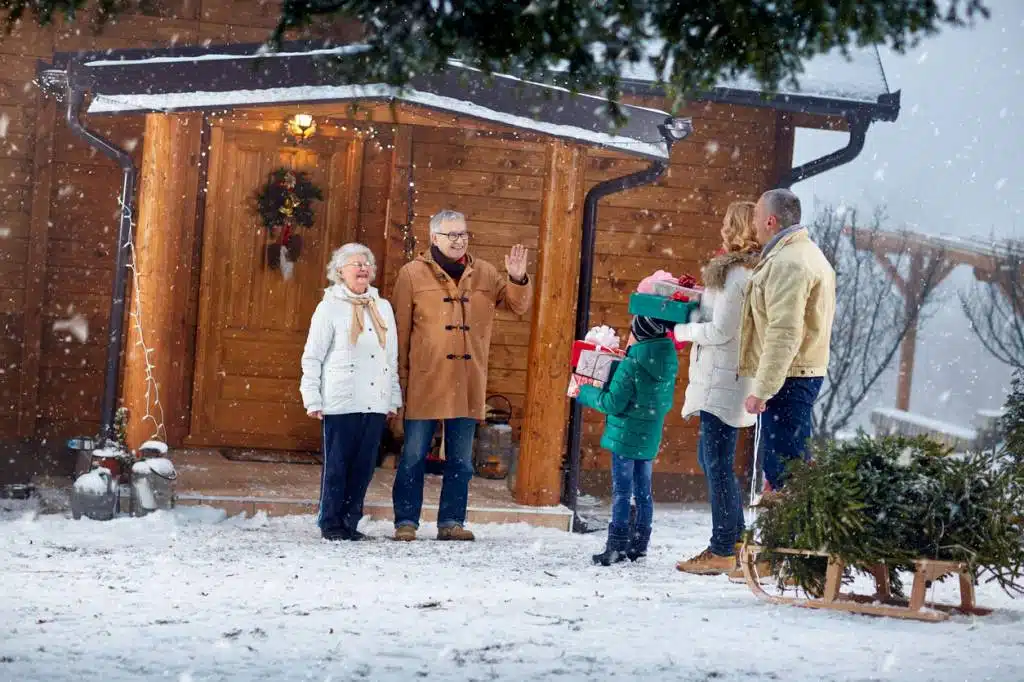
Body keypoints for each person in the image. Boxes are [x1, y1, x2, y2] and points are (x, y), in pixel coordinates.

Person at [391, 209, 532, 542]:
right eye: (451, 235)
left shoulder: (484, 272)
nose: (458, 241)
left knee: (461, 460)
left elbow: (517, 305)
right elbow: (399, 330)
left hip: (468, 381)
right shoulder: (411, 274)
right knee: (412, 456)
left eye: (463, 234)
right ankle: (406, 522)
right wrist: (397, 380)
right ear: (434, 238)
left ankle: (451, 522)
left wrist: (517, 278)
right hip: (425, 380)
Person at [674, 201, 761, 575]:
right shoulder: (743, 272)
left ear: (735, 227)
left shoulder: (735, 274)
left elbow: (722, 330)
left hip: (722, 380)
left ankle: (723, 548)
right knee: (715, 461)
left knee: (717, 463)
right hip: (729, 378)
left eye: (727, 222)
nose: (722, 227)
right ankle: (736, 543)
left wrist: (682, 329)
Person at [300, 243, 401, 541]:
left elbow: (390, 357)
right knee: (337, 466)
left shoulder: (381, 307)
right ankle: (330, 523)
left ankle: (350, 522)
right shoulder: (329, 306)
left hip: (374, 401)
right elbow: (313, 356)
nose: (362, 268)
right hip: (341, 399)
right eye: (354, 263)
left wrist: (393, 398)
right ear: (339, 272)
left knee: (363, 467)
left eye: (366, 263)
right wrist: (312, 398)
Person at [739, 188, 836, 496]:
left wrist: (763, 388)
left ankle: (787, 541)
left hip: (790, 377)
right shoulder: (805, 254)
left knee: (784, 471)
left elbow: (784, 331)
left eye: (756, 215)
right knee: (788, 464)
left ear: (770, 220)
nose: (752, 222)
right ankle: (786, 538)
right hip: (799, 372)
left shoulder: (789, 263)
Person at [577, 314, 679, 566]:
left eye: (632, 330)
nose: (629, 335)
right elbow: (662, 402)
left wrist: (585, 391)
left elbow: (612, 402)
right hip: (649, 435)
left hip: (625, 436)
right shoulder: (668, 361)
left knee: (622, 492)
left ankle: (616, 547)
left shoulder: (631, 364)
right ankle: (639, 545)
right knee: (643, 492)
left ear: (641, 333)